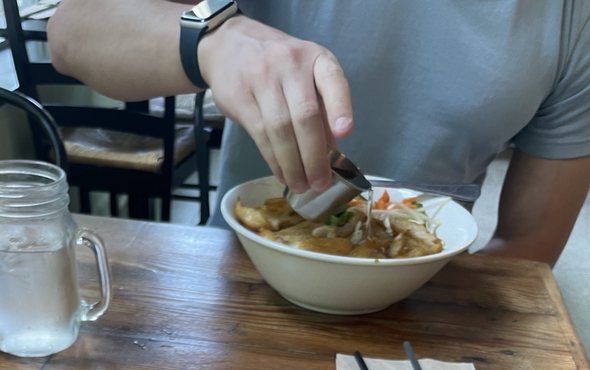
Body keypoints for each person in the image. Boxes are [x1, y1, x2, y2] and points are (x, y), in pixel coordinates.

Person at [48, 0, 590, 265]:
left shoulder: (572, 17)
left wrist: (406, 279)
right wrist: (215, 42)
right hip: (242, 273)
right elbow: (73, 33)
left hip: (426, 299)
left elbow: (531, 243)